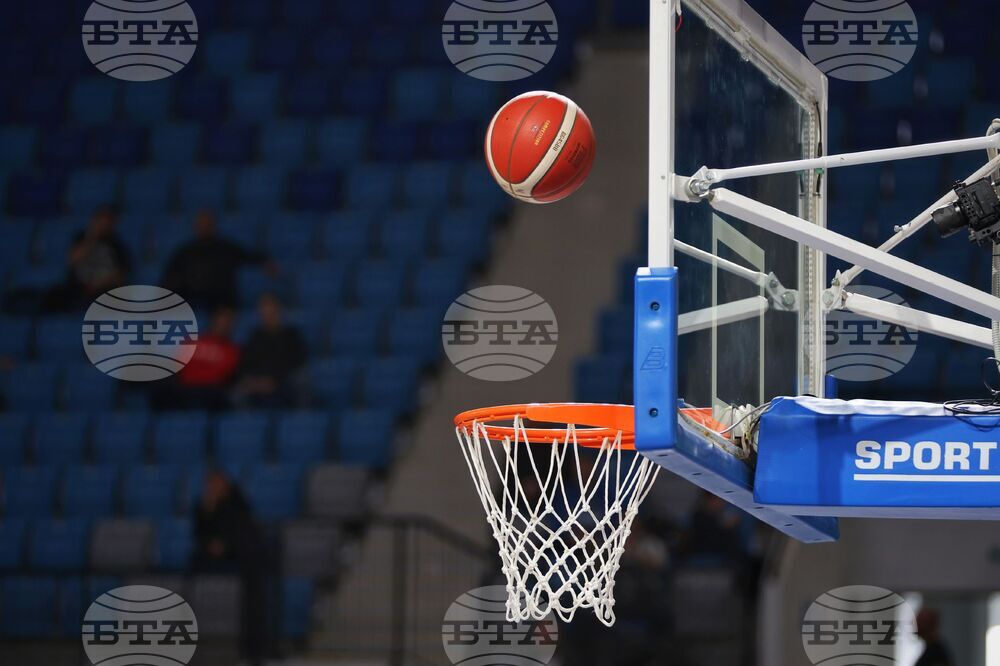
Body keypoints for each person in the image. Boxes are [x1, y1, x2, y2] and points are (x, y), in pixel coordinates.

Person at [191, 470, 268, 665]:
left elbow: (243, 529)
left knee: (254, 597)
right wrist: (210, 541)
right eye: (211, 484)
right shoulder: (203, 507)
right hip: (210, 559)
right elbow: (199, 534)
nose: (214, 488)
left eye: (218, 484)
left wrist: (225, 545)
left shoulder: (237, 504)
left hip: (241, 559)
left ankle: (253, 651)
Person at [162, 210, 275, 311]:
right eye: (200, 224)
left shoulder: (225, 248)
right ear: (195, 226)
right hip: (192, 299)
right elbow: (170, 276)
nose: (204, 227)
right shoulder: (184, 252)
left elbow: (248, 256)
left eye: (207, 224)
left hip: (221, 301)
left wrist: (265, 262)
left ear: (213, 225)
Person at [45, 205, 131, 311]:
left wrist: (99, 284)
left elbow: (121, 275)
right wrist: (92, 237)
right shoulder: (81, 238)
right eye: (100, 221)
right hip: (78, 287)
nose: (102, 225)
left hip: (104, 288)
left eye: (106, 222)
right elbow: (73, 260)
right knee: (52, 296)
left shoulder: (117, 245)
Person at [234, 293, 307, 407]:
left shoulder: (291, 335)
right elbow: (247, 363)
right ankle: (247, 423)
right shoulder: (255, 337)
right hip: (259, 383)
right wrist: (257, 382)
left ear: (279, 311)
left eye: (271, 310)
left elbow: (296, 362)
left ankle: (301, 421)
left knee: (302, 381)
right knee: (237, 394)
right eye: (264, 311)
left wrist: (274, 380)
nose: (268, 314)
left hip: (284, 380)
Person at [172, 307, 241, 410]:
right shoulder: (192, 342)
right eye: (221, 320)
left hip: (211, 391)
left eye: (228, 322)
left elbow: (222, 375)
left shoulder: (232, 350)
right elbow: (178, 367)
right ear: (213, 320)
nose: (223, 325)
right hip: (185, 388)